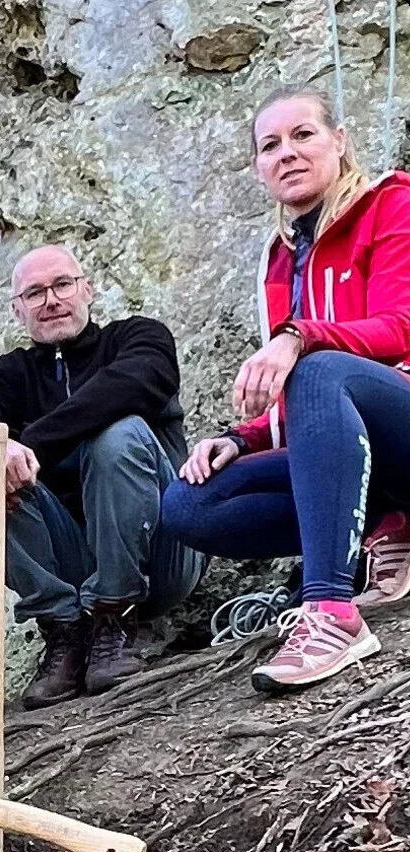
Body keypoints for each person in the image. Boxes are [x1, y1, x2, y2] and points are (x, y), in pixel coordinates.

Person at [163, 86, 410, 693]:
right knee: (189, 503)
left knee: (320, 367)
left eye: (304, 135)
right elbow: (306, 406)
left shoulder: (392, 204)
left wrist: (299, 337)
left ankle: (331, 611)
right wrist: (239, 439)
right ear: (257, 168)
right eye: (270, 145)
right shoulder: (281, 258)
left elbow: (401, 324)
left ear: (340, 142)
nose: (287, 153)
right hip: (360, 442)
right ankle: (384, 524)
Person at [0, 246, 206, 709]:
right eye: (35, 293)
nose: (51, 300)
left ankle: (114, 616)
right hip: (74, 560)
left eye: (62, 285)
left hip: (162, 551)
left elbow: (128, 388)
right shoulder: (10, 375)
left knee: (118, 435)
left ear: (87, 289)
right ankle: (65, 629)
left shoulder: (138, 338)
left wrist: (31, 444)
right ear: (17, 310)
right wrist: (0, 448)